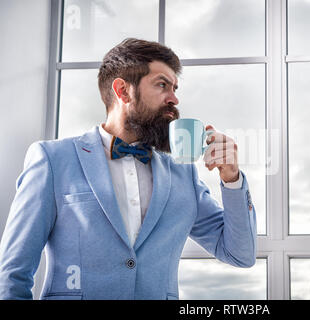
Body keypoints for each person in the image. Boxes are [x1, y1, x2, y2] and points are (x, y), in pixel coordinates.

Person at [0, 38, 256, 300]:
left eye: (175, 88)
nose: (174, 98)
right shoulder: (53, 160)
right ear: (123, 90)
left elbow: (240, 254)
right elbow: (13, 273)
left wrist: (232, 179)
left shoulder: (183, 174)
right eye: (162, 85)